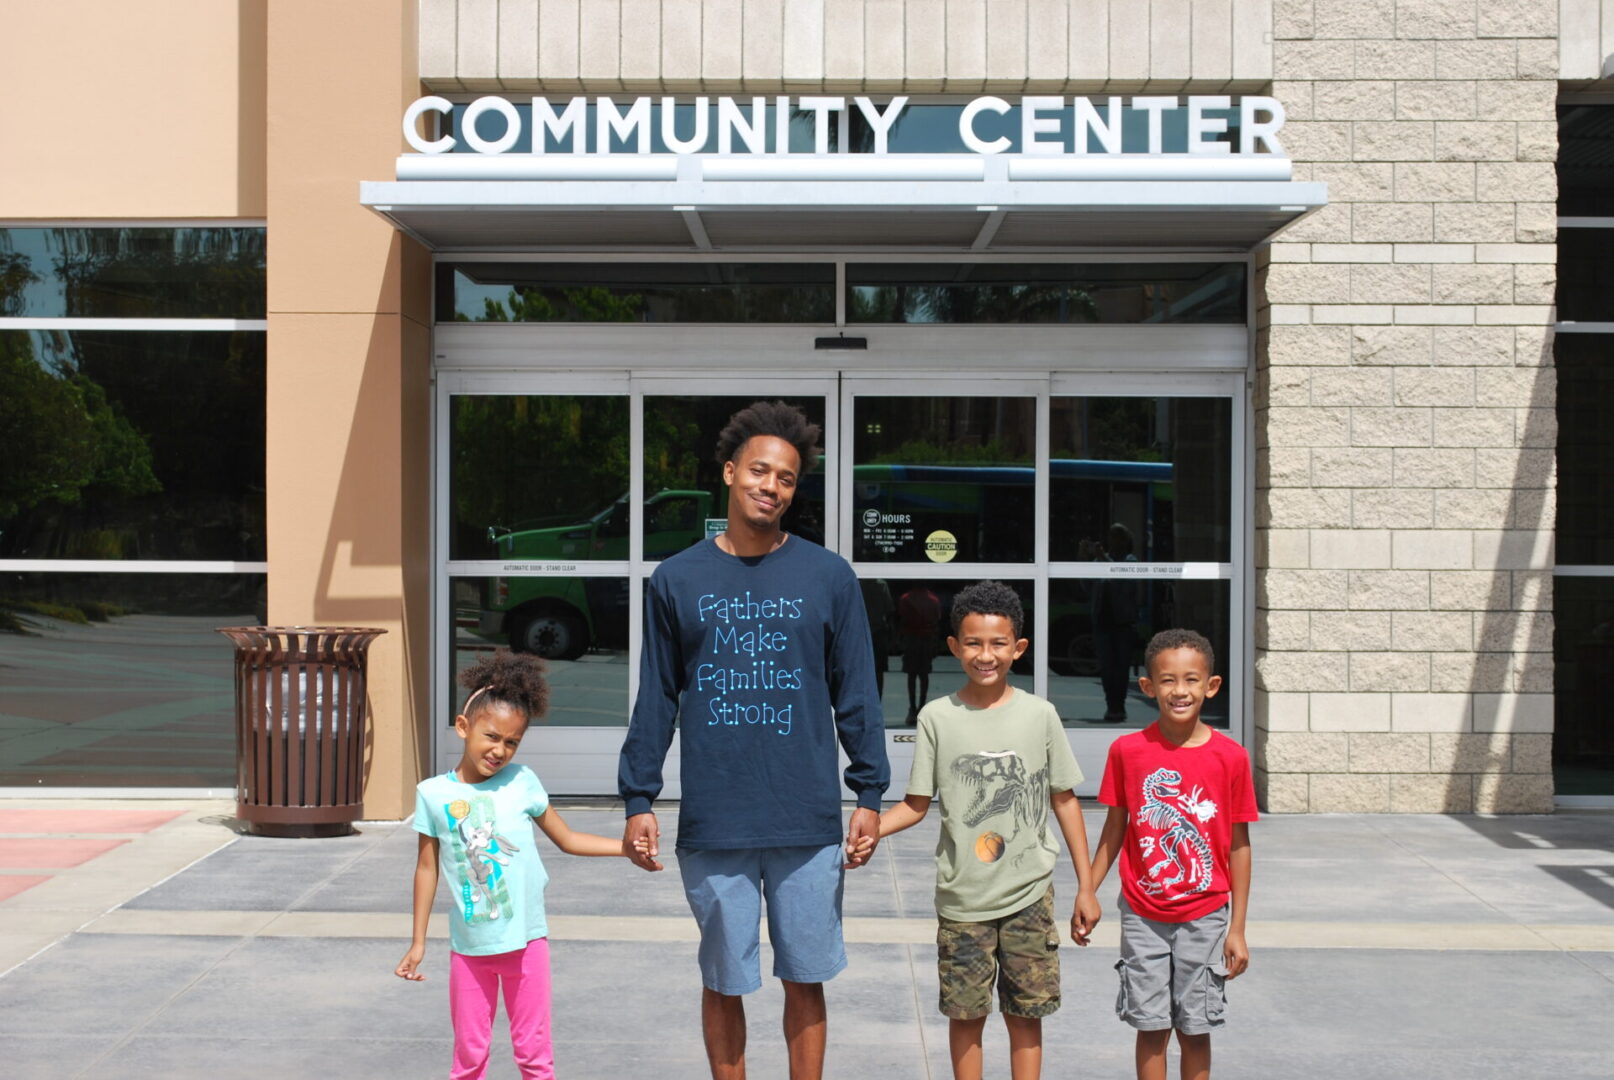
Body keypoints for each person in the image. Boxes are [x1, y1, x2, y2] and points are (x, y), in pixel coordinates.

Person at [617, 400, 890, 1080]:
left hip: (805, 815)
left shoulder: (828, 577)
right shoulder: (677, 579)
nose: (771, 486)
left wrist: (870, 791)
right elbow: (657, 695)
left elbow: (857, 691)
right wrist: (638, 796)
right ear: (731, 471)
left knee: (806, 974)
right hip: (717, 816)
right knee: (724, 978)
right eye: (760, 471)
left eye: (788, 478)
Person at [863, 580, 1102, 1080]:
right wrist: (872, 830)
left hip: (1029, 895)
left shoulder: (1041, 715)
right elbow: (915, 805)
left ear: (1019, 648)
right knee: (965, 1015)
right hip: (963, 900)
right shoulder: (936, 718)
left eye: (998, 644)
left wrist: (1086, 886)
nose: (985, 655)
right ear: (953, 647)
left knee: (1026, 1014)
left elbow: (1064, 800)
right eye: (973, 643)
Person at [396, 650, 650, 1080]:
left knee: (534, 1056)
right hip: (470, 950)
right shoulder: (432, 794)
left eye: (511, 742)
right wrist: (418, 942)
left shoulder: (522, 782)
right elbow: (426, 869)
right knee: (469, 1059)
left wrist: (624, 849)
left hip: (528, 945)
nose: (500, 750)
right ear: (463, 727)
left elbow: (567, 839)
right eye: (491, 736)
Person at [1088, 629, 1256, 1080]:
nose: (1179, 691)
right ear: (1147, 686)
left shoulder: (1231, 757)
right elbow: (1114, 829)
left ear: (1211, 686)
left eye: (1190, 680)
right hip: (1143, 914)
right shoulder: (1127, 751)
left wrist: (1236, 927)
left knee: (1195, 1027)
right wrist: (1088, 889)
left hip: (1206, 913)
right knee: (1151, 1025)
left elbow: (1239, 845)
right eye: (1167, 680)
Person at [898, 582, 943, 723]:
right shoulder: (933, 599)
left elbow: (902, 619)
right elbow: (937, 621)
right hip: (926, 639)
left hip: (911, 639)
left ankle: (912, 708)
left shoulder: (906, 599)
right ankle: (921, 706)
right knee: (924, 675)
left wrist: (900, 640)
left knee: (912, 675)